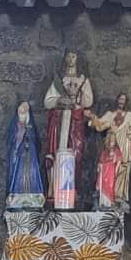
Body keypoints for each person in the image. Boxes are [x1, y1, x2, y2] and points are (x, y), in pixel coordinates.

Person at [43, 50, 93, 203]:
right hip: (59, 123)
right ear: (64, 58)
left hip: (75, 123)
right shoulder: (59, 80)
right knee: (55, 154)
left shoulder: (83, 80)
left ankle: (71, 190)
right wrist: (60, 101)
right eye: (69, 56)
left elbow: (88, 101)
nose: (71, 59)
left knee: (75, 154)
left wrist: (79, 96)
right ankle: (54, 190)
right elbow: (48, 101)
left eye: (74, 56)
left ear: (78, 59)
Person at [5, 100, 44, 210]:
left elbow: (36, 142)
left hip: (30, 158)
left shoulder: (31, 127)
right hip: (19, 158)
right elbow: (12, 142)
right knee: (18, 175)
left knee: (32, 174)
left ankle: (34, 196)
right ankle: (16, 196)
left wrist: (29, 141)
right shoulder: (15, 127)